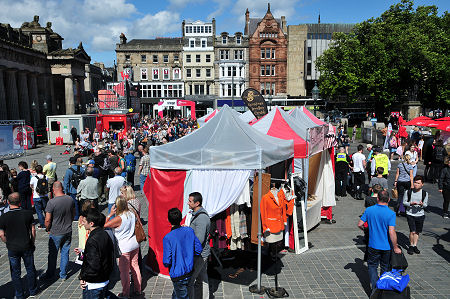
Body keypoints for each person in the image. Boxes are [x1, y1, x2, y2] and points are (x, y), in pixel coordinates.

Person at [357, 190, 401, 293]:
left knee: (372, 266)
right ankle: (383, 289)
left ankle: (374, 289)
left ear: (377, 199)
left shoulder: (369, 210)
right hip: (386, 247)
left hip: (373, 245)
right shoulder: (391, 214)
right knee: (385, 267)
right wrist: (395, 247)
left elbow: (360, 224)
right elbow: (391, 232)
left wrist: (366, 230)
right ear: (389, 200)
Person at [0, 193, 38, 299]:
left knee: (15, 273)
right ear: (20, 202)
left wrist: (7, 242)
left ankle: (19, 294)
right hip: (26, 245)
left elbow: (1, 234)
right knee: (30, 269)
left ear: (8, 202)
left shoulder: (4, 217)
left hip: (12, 248)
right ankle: (32, 291)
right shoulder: (28, 214)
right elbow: (33, 230)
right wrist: (32, 242)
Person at [104, 196, 142, 298]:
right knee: (135, 267)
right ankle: (138, 290)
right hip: (134, 244)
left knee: (124, 272)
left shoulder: (118, 218)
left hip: (124, 248)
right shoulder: (132, 213)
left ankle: (125, 293)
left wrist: (110, 214)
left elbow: (104, 225)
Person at [163, 208, 202, 299]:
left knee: (181, 295)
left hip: (178, 274)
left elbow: (166, 261)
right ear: (181, 219)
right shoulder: (189, 231)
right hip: (189, 270)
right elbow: (198, 249)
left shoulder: (168, 238)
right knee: (177, 294)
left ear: (168, 220)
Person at [41, 181, 75, 281]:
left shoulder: (51, 202)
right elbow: (73, 214)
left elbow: (47, 220)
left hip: (55, 232)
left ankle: (50, 274)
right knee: (65, 252)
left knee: (52, 254)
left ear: (53, 190)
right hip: (68, 230)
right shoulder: (70, 199)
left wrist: (47, 228)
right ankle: (63, 274)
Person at [79, 209, 115, 299]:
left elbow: (93, 265)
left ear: (91, 224)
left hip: (94, 284)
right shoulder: (105, 234)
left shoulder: (92, 240)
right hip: (104, 279)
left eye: (84, 221)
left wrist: (83, 277)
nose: (82, 224)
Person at [187, 192, 210, 299]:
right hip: (202, 253)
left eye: (190, 201)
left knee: (191, 280)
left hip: (199, 255)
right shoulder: (197, 214)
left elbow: (199, 240)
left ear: (197, 203)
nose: (188, 203)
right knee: (203, 278)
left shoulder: (201, 218)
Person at [403, 175, 428, 255]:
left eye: (418, 183)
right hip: (410, 214)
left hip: (420, 214)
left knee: (417, 231)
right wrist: (410, 203)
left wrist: (422, 204)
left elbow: (426, 205)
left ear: (422, 184)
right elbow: (404, 202)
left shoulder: (424, 193)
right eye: (415, 182)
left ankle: (415, 245)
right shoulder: (408, 192)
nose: (416, 184)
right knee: (412, 231)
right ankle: (410, 245)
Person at [64, 156, 85, 221]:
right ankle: (82, 214)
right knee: (81, 202)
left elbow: (66, 182)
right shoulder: (81, 169)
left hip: (73, 189)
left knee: (75, 203)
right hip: (80, 189)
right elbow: (84, 178)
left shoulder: (69, 170)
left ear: (70, 162)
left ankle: (76, 216)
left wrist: (66, 190)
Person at [30, 164, 48, 229]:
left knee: (39, 212)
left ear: (36, 171)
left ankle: (42, 225)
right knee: (46, 210)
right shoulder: (46, 177)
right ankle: (48, 222)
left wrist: (33, 190)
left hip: (36, 196)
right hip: (44, 196)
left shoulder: (33, 178)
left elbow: (31, 186)